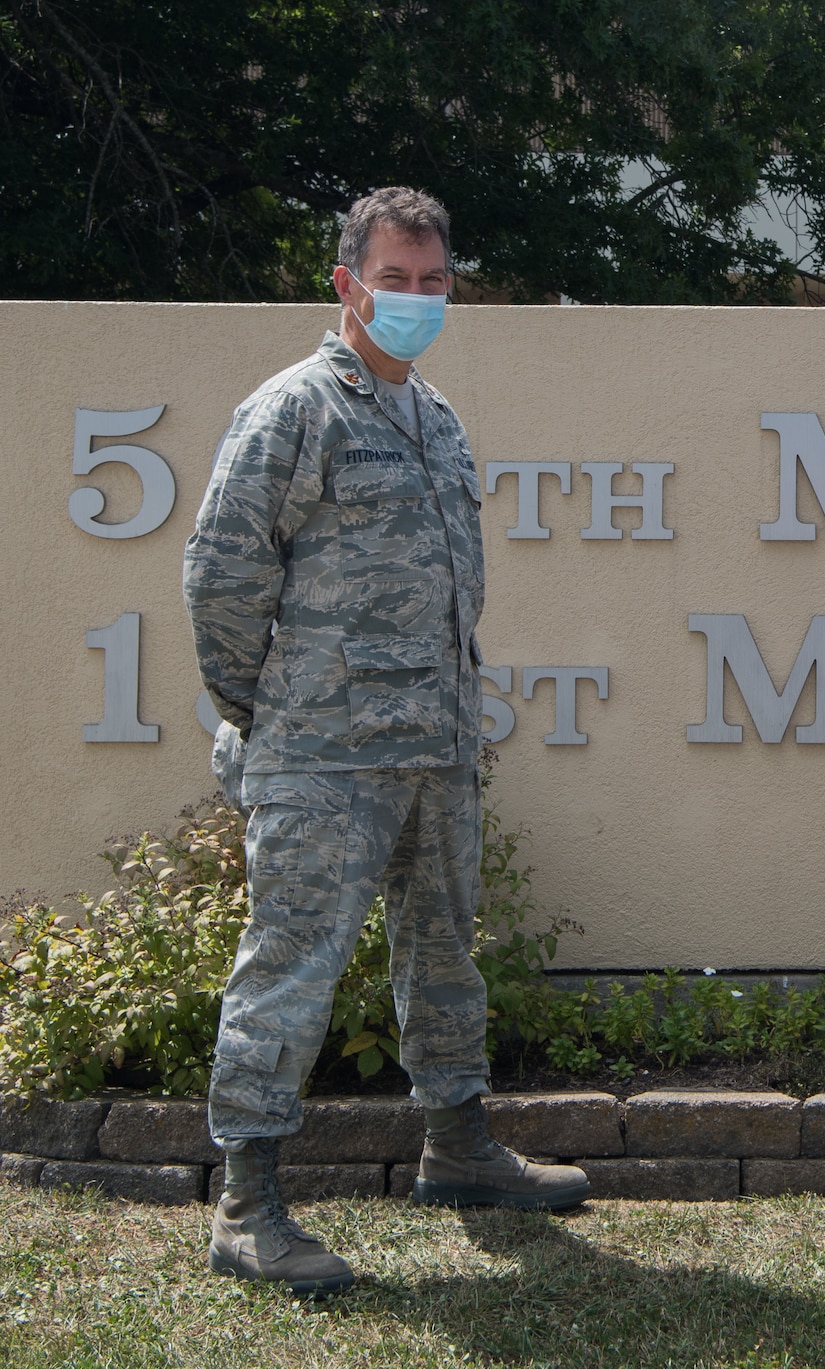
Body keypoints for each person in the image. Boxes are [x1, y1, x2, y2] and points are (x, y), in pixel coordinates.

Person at [184, 186, 588, 1298]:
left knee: (444, 954)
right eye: (393, 279)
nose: (413, 298)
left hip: (433, 748)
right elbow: (221, 577)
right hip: (322, 755)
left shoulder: (434, 416)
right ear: (345, 283)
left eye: (432, 279)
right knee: (291, 967)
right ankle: (248, 1205)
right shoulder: (295, 409)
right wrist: (265, 717)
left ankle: (457, 1148)